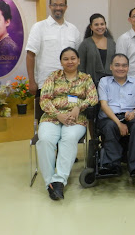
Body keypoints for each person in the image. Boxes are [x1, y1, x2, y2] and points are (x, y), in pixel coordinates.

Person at [36, 47, 98, 200]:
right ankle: (50, 182)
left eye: (73, 58)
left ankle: (59, 180)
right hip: (52, 117)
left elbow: (93, 98)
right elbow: (44, 100)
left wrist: (79, 107)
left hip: (76, 119)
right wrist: (58, 115)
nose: (70, 61)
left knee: (68, 138)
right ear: (61, 62)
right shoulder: (53, 77)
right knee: (45, 140)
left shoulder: (86, 78)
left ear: (78, 60)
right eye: (66, 59)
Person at [97, 53, 135, 177]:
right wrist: (119, 123)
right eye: (117, 65)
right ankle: (111, 164)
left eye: (124, 65)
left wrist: (133, 113)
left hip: (130, 116)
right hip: (109, 117)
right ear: (111, 67)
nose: (120, 68)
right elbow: (104, 106)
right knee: (110, 126)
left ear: (128, 67)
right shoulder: (104, 82)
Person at [26, 0, 82, 96]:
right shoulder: (39, 27)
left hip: (69, 84)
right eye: (55, 5)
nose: (58, 8)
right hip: (46, 84)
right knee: (47, 112)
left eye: (61, 5)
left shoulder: (73, 29)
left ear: (66, 7)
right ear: (50, 6)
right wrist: (32, 81)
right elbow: (30, 55)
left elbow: (78, 58)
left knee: (69, 112)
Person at [78, 13, 115, 86]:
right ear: (91, 27)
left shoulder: (112, 43)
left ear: (105, 25)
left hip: (110, 85)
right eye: (96, 25)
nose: (100, 27)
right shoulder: (85, 44)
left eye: (102, 24)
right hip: (90, 85)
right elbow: (80, 67)